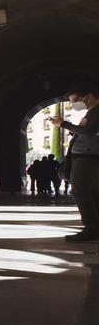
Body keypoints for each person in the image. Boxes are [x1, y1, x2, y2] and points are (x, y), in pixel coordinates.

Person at [52, 85, 99, 241]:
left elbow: (88, 131)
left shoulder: (96, 111)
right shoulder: (92, 112)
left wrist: (63, 124)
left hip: (88, 157)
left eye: (75, 101)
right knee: (91, 192)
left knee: (81, 191)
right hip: (88, 155)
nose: (73, 105)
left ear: (88, 97)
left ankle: (92, 229)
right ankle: (94, 228)